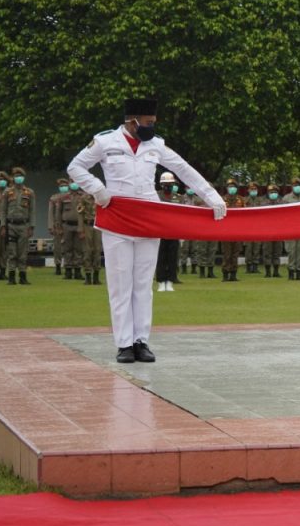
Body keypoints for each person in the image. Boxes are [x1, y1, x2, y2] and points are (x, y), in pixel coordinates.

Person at [68, 97, 227, 363]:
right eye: (148, 122)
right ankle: (124, 344)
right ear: (132, 121)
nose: (152, 127)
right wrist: (98, 190)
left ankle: (141, 341)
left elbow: (183, 169)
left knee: (143, 284)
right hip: (116, 216)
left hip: (148, 217)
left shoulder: (156, 145)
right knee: (120, 285)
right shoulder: (106, 141)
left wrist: (212, 197)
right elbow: (75, 167)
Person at [1, 167, 36, 285]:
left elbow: (32, 211)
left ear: (23, 178)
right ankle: (11, 277)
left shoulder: (29, 192)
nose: (18, 178)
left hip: (24, 226)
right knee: (12, 252)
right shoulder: (7, 192)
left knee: (22, 253)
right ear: (13, 178)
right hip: (11, 225)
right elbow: (3, 210)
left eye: (20, 176)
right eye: (16, 176)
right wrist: (3, 226)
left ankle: (22, 276)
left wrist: (32, 226)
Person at [155, 172, 183, 290]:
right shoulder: (155, 196)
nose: (168, 186)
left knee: (172, 257)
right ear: (161, 185)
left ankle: (170, 281)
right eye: (166, 184)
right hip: (159, 231)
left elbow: (182, 215)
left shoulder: (178, 198)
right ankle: (161, 281)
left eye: (170, 184)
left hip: (173, 231)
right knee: (161, 256)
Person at [56, 178, 85, 280]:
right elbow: (58, 213)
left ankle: (77, 271)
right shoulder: (63, 197)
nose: (74, 184)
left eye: (76, 181)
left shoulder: (83, 196)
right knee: (67, 248)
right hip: (66, 225)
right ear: (69, 183)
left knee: (78, 248)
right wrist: (58, 227)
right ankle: (68, 271)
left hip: (79, 226)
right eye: (72, 182)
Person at [283, 178, 300, 280]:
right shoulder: (286, 198)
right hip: (290, 228)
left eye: (299, 185)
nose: (297, 187)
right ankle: (291, 271)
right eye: (295, 185)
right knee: (291, 251)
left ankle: (299, 272)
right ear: (292, 186)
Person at [219, 178, 245, 282]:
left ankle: (233, 274)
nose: (232, 188)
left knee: (235, 253)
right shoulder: (222, 199)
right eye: (230, 187)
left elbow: (245, 214)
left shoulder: (241, 200)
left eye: (233, 187)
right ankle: (225, 274)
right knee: (227, 253)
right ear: (227, 188)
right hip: (226, 231)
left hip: (238, 230)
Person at [76, 188, 103, 285]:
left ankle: (96, 276)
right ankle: (88, 275)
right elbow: (80, 214)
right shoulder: (84, 198)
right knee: (87, 250)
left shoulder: (100, 198)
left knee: (97, 250)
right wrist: (80, 229)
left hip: (98, 226)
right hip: (87, 225)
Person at [260, 184, 283, 277]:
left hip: (278, 231)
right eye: (271, 192)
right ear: (268, 193)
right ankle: (268, 271)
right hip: (267, 231)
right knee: (267, 251)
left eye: (275, 192)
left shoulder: (282, 203)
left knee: (277, 251)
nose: (273, 194)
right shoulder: (263, 204)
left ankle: (276, 271)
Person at [242, 182, 264, 274]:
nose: (253, 191)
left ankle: (255, 266)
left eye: (255, 189)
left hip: (258, 227)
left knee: (256, 247)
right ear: (248, 190)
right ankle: (248, 266)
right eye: (251, 189)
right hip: (247, 227)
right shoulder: (244, 200)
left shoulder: (261, 200)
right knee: (248, 248)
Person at [49, 179, 69, 276]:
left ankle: (68, 266)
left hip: (67, 225)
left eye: (65, 185)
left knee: (68, 247)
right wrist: (50, 226)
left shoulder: (70, 197)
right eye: (61, 186)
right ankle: (57, 266)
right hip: (57, 226)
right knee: (57, 248)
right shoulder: (54, 198)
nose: (63, 187)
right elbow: (50, 213)